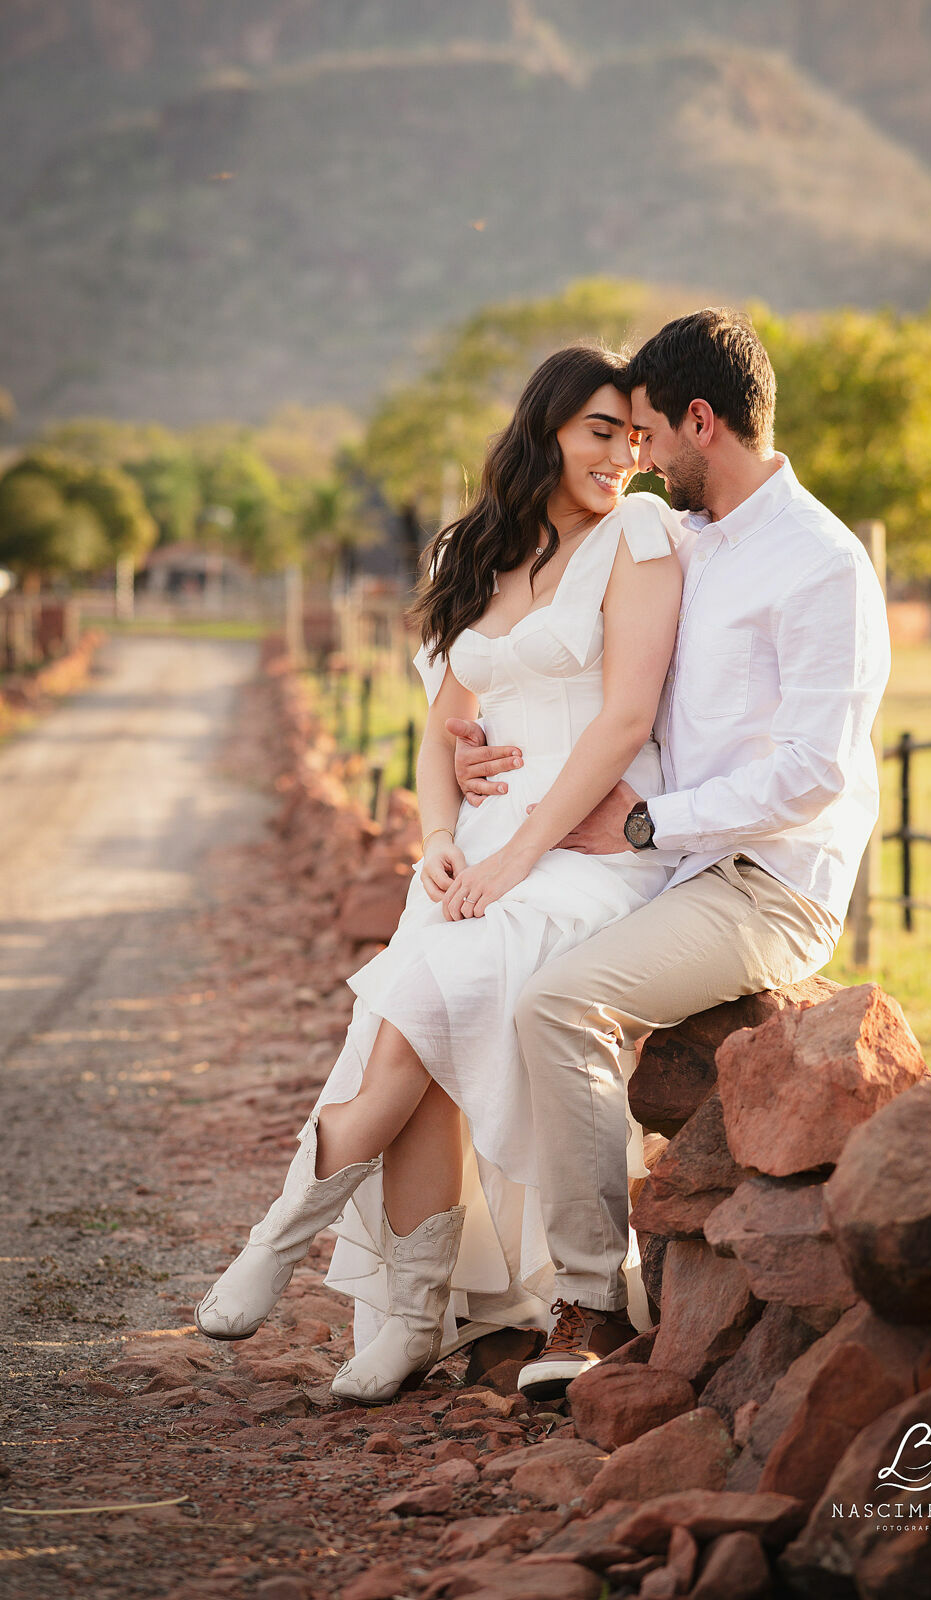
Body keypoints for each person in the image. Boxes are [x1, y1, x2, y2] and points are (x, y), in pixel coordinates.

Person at [195, 345, 685, 1401]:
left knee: (420, 1013)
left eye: (634, 437)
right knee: (417, 1039)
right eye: (600, 430)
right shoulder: (477, 549)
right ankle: (412, 1313)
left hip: (585, 854)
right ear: (547, 428)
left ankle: (278, 1244)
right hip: (480, 853)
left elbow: (624, 719)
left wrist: (516, 855)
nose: (621, 455)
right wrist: (438, 835)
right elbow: (442, 728)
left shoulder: (636, 536)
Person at [451, 308, 892, 1400]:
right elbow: (586, 667)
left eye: (647, 433)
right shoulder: (685, 540)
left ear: (702, 421)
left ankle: (593, 1302)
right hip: (668, 860)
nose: (637, 457)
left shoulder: (820, 564)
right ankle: (464, 1278)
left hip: (762, 879)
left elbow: (811, 774)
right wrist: (473, 739)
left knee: (559, 1004)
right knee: (479, 956)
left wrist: (650, 823)